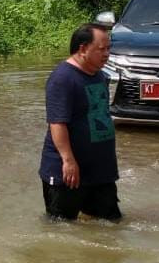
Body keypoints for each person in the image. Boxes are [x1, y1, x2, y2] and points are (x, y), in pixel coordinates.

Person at [39, 23, 121, 221]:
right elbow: (57, 123)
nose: (107, 54)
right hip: (69, 173)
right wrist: (68, 160)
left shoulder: (99, 75)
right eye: (102, 49)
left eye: (109, 49)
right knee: (62, 229)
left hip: (100, 171)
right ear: (83, 49)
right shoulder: (63, 79)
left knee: (111, 224)